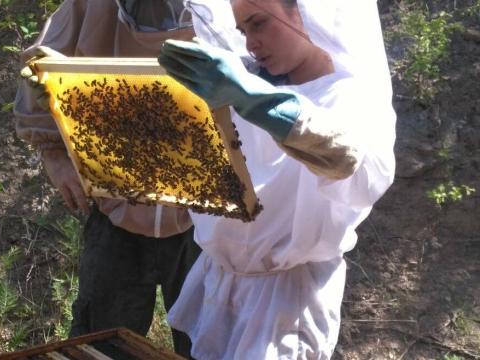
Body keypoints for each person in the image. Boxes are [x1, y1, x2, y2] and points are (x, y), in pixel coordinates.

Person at [157, 0, 396, 358]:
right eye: (243, 31)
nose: (251, 43)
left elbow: (358, 164)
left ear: (306, 11)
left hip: (288, 302)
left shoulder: (349, 93)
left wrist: (262, 104)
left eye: (258, 23)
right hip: (220, 283)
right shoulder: (246, 77)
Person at [13, 0, 201, 357]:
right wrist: (54, 155)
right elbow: (40, 67)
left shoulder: (225, 13)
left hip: (203, 222)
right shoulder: (89, 7)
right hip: (115, 206)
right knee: (100, 343)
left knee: (207, 345)